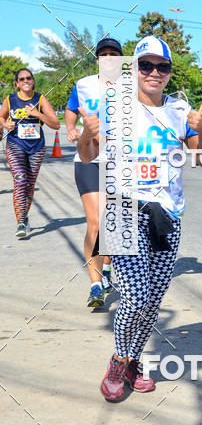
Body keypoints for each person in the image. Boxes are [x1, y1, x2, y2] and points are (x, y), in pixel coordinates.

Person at [77, 35, 202, 403]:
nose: (154, 72)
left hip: (167, 213)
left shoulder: (180, 110)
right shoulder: (114, 105)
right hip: (123, 208)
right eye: (146, 65)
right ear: (134, 70)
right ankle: (119, 362)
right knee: (135, 298)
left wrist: (200, 130)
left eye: (162, 66)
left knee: (153, 300)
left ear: (169, 72)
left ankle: (135, 361)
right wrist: (86, 138)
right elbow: (88, 156)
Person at [65, 37, 123, 310]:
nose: (109, 58)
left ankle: (108, 266)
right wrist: (71, 129)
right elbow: (70, 109)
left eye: (114, 54)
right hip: (88, 159)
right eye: (104, 54)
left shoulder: (132, 87)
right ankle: (95, 284)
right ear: (97, 59)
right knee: (96, 222)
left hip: (120, 163)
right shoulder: (84, 84)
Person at [0, 68, 60, 239]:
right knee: (20, 179)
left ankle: (24, 217)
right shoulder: (10, 99)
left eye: (29, 78)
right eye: (22, 79)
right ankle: (20, 222)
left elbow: (56, 124)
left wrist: (37, 113)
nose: (26, 80)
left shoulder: (40, 99)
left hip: (36, 148)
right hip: (15, 144)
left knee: (29, 185)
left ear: (33, 81)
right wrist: (5, 125)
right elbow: (0, 117)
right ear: (17, 83)